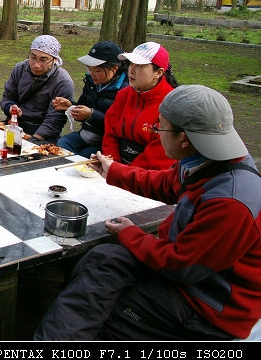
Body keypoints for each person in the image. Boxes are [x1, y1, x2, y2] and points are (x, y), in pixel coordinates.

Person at [33, 85, 261, 341]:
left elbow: (181, 265)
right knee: (102, 259)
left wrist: (131, 233)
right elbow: (167, 184)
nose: (155, 133)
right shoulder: (205, 160)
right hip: (186, 269)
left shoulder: (231, 202)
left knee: (109, 309)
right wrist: (113, 170)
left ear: (184, 139)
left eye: (159, 128)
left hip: (207, 306)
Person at [101, 41, 179, 169]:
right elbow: (110, 132)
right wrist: (112, 163)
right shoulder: (124, 95)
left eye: (140, 66)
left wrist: (123, 173)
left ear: (158, 72)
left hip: (148, 174)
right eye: (131, 64)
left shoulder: (171, 104)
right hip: (117, 166)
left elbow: (161, 153)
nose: (131, 70)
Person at [53, 41, 129, 158]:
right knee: (62, 144)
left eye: (97, 71)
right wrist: (70, 106)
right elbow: (84, 105)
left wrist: (91, 115)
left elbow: (119, 125)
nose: (92, 74)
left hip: (106, 140)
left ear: (114, 68)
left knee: (84, 156)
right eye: (90, 69)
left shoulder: (124, 90)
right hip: (86, 134)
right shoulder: (91, 83)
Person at [0, 34, 74, 144]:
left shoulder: (63, 82)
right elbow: (7, 97)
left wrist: (33, 141)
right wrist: (10, 107)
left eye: (43, 60)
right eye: (33, 58)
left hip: (41, 132)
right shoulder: (20, 69)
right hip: (15, 125)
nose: (36, 65)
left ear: (54, 60)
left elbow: (55, 120)